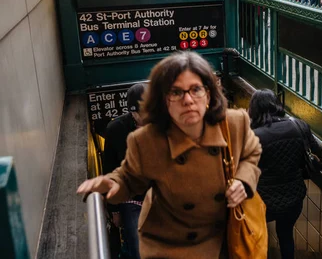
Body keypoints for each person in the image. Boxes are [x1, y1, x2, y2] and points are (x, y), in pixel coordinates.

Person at [77, 52, 263, 258]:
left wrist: (243, 181)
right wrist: (110, 186)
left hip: (226, 229)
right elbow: (129, 176)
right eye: (176, 92)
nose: (188, 100)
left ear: (209, 93)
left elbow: (251, 153)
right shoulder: (146, 138)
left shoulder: (234, 123)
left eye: (196, 89)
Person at [249, 90, 322, 259]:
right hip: (293, 198)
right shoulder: (299, 125)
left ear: (254, 110)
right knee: (286, 235)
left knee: (259, 238)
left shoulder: (253, 136)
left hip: (262, 203)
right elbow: (318, 152)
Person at [102, 83, 147, 259]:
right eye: (140, 112)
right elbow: (109, 171)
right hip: (131, 201)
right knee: (137, 249)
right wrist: (114, 210)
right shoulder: (116, 130)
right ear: (132, 112)